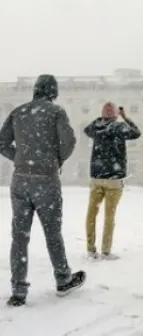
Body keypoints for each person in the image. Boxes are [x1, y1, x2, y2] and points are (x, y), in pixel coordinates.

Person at [0, 74, 86, 307]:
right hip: (46, 181)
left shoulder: (19, 112)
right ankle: (63, 278)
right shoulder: (56, 112)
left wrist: (19, 158)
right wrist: (54, 160)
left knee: (19, 236)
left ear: (35, 90)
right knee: (52, 233)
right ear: (53, 91)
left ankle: (18, 289)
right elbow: (68, 142)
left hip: (19, 180)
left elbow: (1, 141)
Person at [84, 102, 141, 260]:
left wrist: (101, 118)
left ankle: (90, 249)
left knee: (91, 214)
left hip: (96, 177)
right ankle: (106, 251)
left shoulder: (95, 127)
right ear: (116, 114)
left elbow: (86, 129)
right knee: (109, 216)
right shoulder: (119, 127)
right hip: (114, 179)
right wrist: (125, 117)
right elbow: (137, 133)